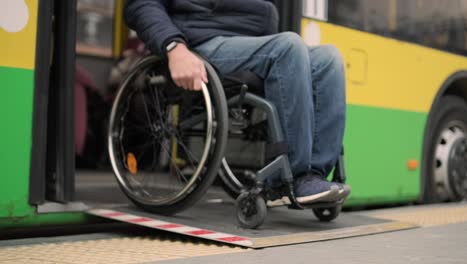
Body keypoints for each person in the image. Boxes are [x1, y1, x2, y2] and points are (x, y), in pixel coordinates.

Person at [124, 0, 350, 204]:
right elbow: (140, 4)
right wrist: (174, 47)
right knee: (288, 46)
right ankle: (292, 178)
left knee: (328, 58)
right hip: (201, 42)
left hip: (251, 45)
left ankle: (314, 175)